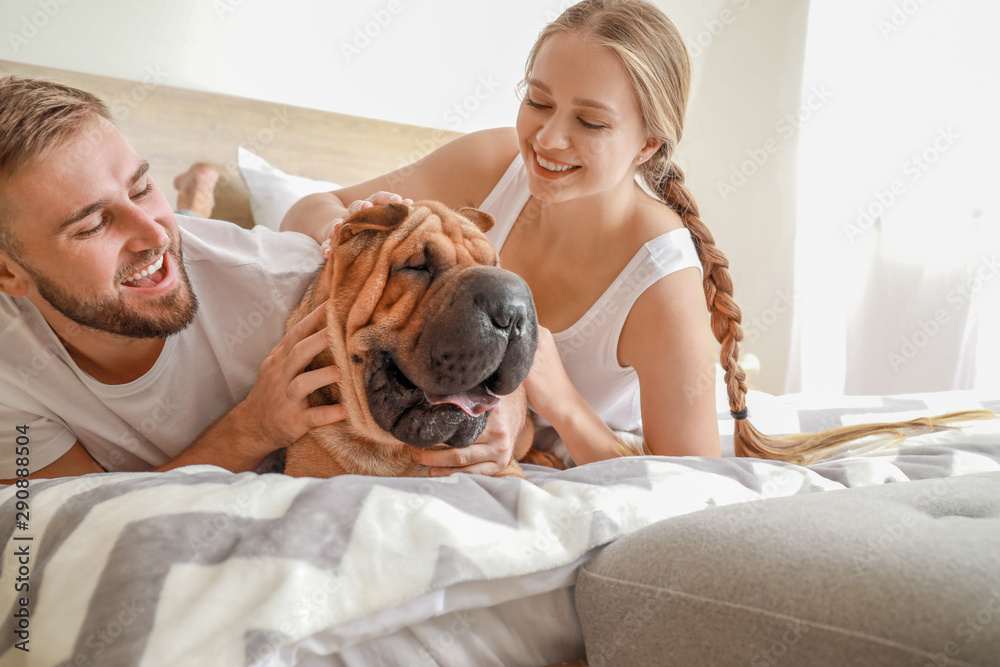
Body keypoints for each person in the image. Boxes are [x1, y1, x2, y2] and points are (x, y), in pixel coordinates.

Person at [0, 75, 520, 482]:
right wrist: (252, 429)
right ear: (8, 272)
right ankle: (194, 194)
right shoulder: (9, 374)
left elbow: (479, 320)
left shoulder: (285, 283)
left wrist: (505, 413)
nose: (153, 234)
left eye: (141, 190)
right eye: (92, 223)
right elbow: (84, 520)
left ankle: (194, 197)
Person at [284, 0, 733, 464]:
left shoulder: (662, 279)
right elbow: (307, 208)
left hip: (596, 462)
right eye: (538, 101)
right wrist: (349, 232)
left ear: (648, 144)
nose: (547, 139)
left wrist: (558, 404)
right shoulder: (493, 165)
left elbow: (694, 484)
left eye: (590, 122)